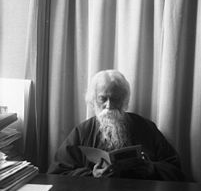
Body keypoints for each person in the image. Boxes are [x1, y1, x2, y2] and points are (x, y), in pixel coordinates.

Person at [48, 69, 185, 181]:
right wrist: (92, 175)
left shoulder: (146, 127)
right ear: (94, 100)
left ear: (124, 100)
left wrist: (152, 169)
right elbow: (57, 173)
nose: (109, 105)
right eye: (103, 98)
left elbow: (175, 169)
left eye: (115, 99)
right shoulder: (82, 131)